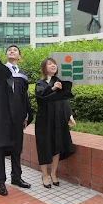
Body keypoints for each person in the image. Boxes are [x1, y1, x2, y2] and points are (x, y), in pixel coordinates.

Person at [0, 20, 33, 196]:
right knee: (1, 148)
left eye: (15, 51)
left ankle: (16, 177)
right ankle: (0, 181)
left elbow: (25, 97)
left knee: (16, 149)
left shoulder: (22, 77)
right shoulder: (0, 72)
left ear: (19, 57)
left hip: (17, 118)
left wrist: (26, 115)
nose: (12, 52)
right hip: (2, 117)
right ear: (6, 56)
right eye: (9, 50)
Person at [35, 58, 76, 188]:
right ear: (44, 68)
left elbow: (64, 100)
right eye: (50, 64)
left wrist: (69, 115)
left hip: (58, 118)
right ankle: (45, 175)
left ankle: (53, 174)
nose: (53, 65)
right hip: (44, 119)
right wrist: (52, 88)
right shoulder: (40, 83)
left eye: (54, 63)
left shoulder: (60, 82)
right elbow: (41, 97)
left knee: (57, 145)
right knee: (44, 146)